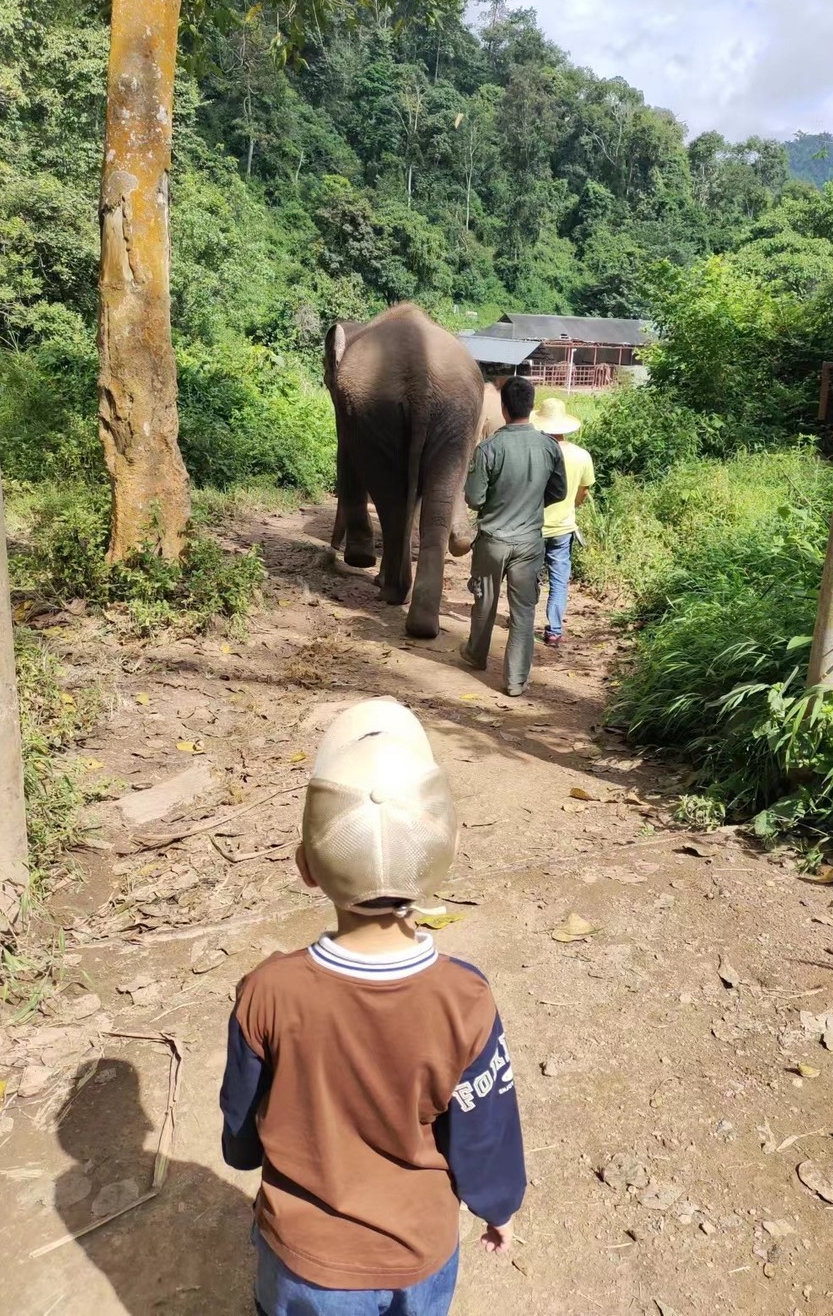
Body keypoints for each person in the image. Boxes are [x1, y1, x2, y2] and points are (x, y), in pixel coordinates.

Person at [220, 697, 526, 1316]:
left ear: (306, 867)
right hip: (418, 1254)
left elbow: (241, 1114)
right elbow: (484, 1128)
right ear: (446, 854)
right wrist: (499, 1205)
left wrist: (245, 1157)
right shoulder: (464, 999)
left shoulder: (267, 990)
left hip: (302, 1259)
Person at [460, 376, 567, 697]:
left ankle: (476, 655)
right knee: (523, 612)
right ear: (531, 408)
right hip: (529, 544)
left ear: (503, 408)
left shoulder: (489, 448)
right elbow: (559, 492)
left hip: (493, 541)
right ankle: (515, 680)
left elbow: (474, 499)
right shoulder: (550, 447)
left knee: (485, 601)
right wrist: (531, 504)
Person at [531, 397, 596, 648]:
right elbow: (583, 493)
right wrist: (572, 505)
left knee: (530, 576)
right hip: (564, 528)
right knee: (558, 580)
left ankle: (524, 620)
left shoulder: (535, 453)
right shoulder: (581, 456)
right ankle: (554, 631)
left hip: (534, 527)